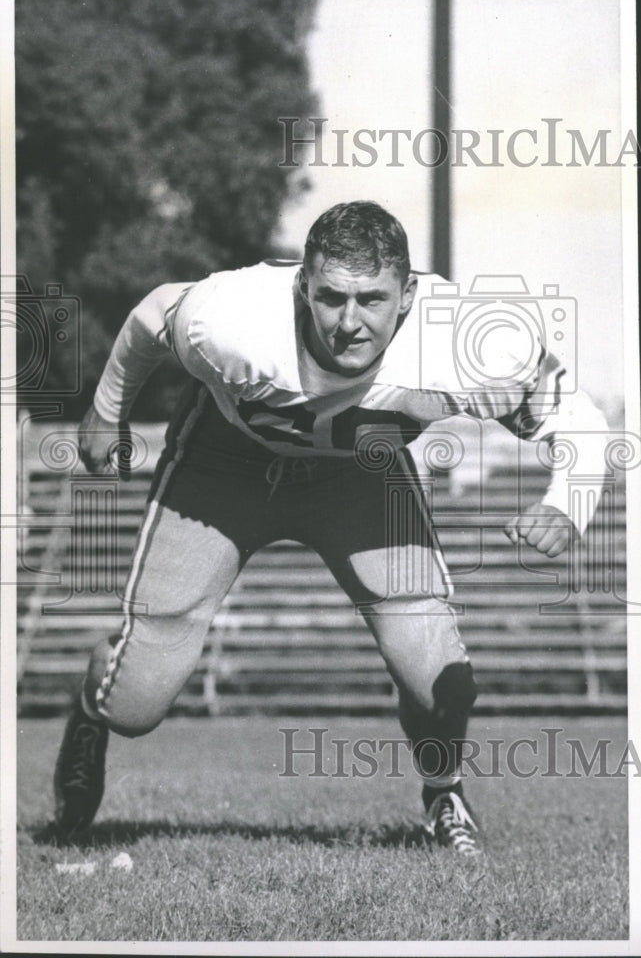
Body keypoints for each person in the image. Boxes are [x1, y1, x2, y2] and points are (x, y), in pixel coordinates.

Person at [53, 201, 607, 855]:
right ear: (302, 288)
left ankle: (443, 792)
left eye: (371, 300)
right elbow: (152, 316)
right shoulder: (232, 318)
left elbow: (578, 419)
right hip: (224, 462)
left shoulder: (469, 342)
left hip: (357, 473)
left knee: (438, 674)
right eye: (330, 299)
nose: (348, 323)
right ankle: (93, 711)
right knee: (136, 705)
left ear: (407, 296)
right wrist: (105, 408)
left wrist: (566, 505)